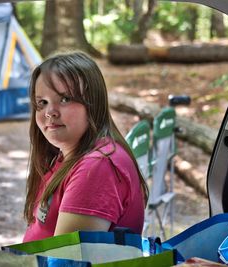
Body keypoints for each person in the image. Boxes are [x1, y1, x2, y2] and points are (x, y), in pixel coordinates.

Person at [23, 51, 148, 242]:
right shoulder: (67, 155)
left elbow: (66, 261)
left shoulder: (97, 167)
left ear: (93, 103)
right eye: (42, 102)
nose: (50, 112)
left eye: (65, 99)